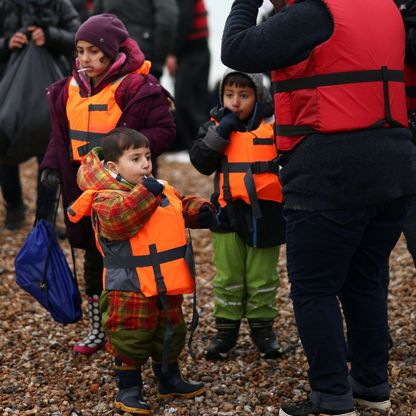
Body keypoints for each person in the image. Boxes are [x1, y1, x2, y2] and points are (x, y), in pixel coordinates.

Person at [221, 1, 416, 415]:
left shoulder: (314, 15)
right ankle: (371, 386)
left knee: (314, 288)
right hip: (395, 165)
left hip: (330, 172)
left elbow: (236, 50)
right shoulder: (386, 9)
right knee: (365, 281)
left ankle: (331, 396)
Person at [40, 13, 176, 356]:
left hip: (126, 191)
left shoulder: (138, 87)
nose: (83, 58)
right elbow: (59, 137)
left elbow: (166, 131)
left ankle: (137, 325)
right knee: (91, 255)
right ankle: (99, 326)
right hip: (83, 190)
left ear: (110, 51)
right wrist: (51, 167)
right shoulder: (66, 89)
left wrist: (131, 153)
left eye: (91, 51)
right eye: (79, 50)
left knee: (129, 259)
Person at [67, 127, 213, 414]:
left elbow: (179, 205)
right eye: (135, 159)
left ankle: (169, 378)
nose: (145, 163)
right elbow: (120, 222)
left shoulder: (157, 186)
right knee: (130, 335)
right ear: (113, 167)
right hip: (129, 286)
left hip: (166, 281)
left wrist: (202, 211)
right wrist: (148, 192)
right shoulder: (105, 198)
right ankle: (129, 388)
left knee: (170, 330)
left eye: (147, 156)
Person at [190, 69, 285, 360]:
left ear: (259, 97)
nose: (235, 102)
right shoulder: (215, 126)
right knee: (228, 276)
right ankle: (226, 331)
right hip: (227, 214)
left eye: (243, 96)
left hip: (266, 215)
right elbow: (201, 161)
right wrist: (222, 131)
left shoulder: (274, 128)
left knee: (262, 276)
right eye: (229, 95)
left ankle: (263, 329)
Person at [0, 0, 80, 230]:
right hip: (6, 90)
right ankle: (14, 207)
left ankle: (45, 220)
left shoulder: (59, 5)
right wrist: (7, 43)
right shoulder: (5, 5)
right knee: (5, 148)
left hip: (49, 88)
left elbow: (78, 38)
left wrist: (50, 36)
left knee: (50, 153)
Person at [92, 0, 179, 80]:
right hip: (145, 55)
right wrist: (159, 55)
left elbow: (94, 22)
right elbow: (168, 20)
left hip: (111, 54)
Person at [166, 0, 210, 151]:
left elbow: (185, 19)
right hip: (195, 51)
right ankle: (195, 146)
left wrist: (173, 53)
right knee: (193, 102)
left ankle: (200, 147)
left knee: (188, 104)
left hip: (192, 52)